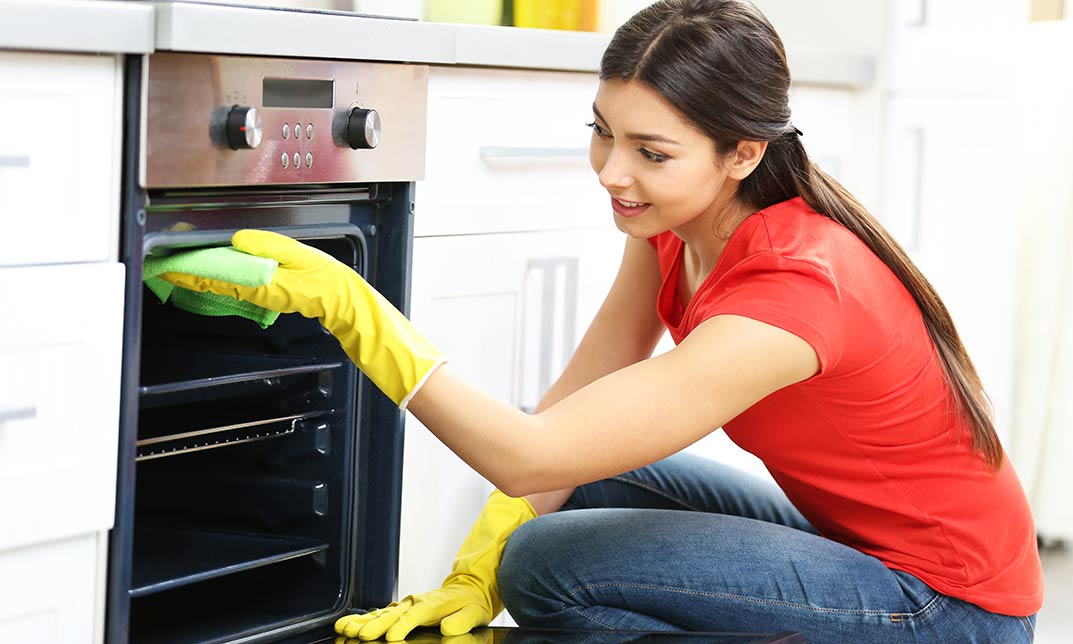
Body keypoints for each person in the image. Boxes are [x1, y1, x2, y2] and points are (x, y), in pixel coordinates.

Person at [163, 0, 1044, 641]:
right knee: (586, 489)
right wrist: (469, 571)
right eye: (603, 132)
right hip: (850, 546)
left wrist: (354, 311)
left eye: (651, 153)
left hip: (949, 609)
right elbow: (575, 410)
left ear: (744, 153)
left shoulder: (795, 289)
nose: (611, 172)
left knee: (546, 565)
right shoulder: (674, 226)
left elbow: (525, 453)